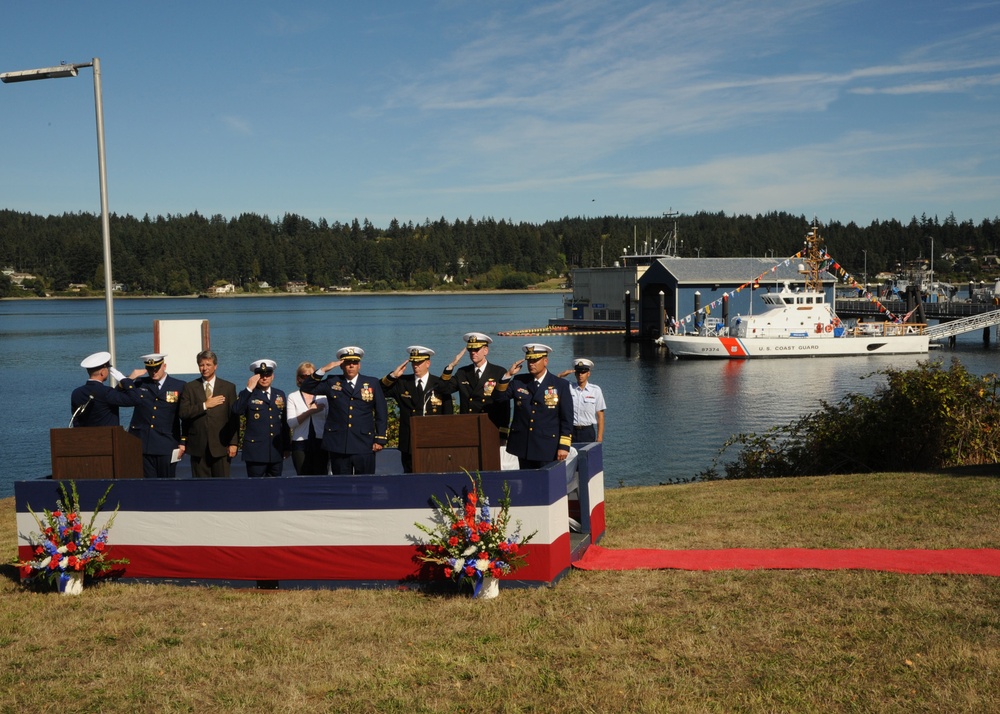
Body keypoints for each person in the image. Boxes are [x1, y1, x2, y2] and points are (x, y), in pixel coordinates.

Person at [299, 346, 388, 475]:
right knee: (341, 485)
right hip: (339, 443)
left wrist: (380, 439)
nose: (351, 366)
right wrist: (323, 369)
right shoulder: (333, 382)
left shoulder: (372, 383)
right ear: (341, 366)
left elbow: (381, 412)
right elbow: (307, 387)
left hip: (363, 443)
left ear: (359, 366)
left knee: (365, 484)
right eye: (347, 363)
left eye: (354, 363)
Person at [492, 343, 573, 469]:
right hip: (523, 445)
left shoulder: (560, 385)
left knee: (547, 484)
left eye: (535, 360)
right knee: (527, 482)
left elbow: (566, 418)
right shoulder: (519, 381)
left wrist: (564, 446)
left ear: (545, 361)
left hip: (547, 446)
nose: (531, 364)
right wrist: (508, 375)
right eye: (529, 360)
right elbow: (498, 398)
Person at [381, 346, 453, 473]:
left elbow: (448, 416)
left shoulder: (438, 384)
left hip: (432, 440)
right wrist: (393, 376)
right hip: (408, 441)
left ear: (428, 363)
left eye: (419, 363)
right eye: (413, 363)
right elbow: (380, 391)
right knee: (410, 477)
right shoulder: (403, 382)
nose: (416, 366)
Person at [121, 353, 186, 478]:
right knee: (146, 486)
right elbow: (115, 396)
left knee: (167, 485)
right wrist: (129, 379)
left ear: (164, 366)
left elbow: (185, 416)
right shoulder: (139, 384)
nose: (153, 372)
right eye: (150, 369)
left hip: (166, 445)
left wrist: (183, 441)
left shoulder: (179, 386)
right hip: (142, 445)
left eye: (156, 368)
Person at [439, 332, 511, 442]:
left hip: (490, 427)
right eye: (470, 350)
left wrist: (503, 432)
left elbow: (504, 405)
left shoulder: (498, 372)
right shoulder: (462, 372)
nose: (473, 353)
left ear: (485, 351)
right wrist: (451, 366)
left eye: (476, 350)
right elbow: (444, 389)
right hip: (467, 428)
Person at [179, 350, 240, 478]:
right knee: (201, 488)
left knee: (222, 487)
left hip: (221, 446)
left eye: (208, 365)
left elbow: (233, 417)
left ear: (215, 366)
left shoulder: (228, 387)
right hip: (198, 447)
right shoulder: (190, 387)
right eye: (201, 365)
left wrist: (233, 443)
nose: (204, 368)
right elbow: (183, 413)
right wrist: (205, 405)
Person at [233, 359, 290, 477]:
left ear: (272, 376)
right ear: (255, 377)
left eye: (268, 375)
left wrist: (286, 447)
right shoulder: (248, 394)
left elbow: (284, 423)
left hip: (275, 451)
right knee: (256, 489)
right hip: (256, 452)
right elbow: (236, 410)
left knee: (275, 489)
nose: (264, 378)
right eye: (261, 375)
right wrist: (248, 388)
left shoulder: (280, 394)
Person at [70, 351, 140, 427]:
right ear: (102, 372)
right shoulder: (106, 392)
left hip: (84, 437)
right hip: (108, 437)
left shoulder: (76, 393)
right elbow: (134, 399)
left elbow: (76, 420)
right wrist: (125, 380)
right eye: (107, 368)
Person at [286, 361, 329, 475]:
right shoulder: (293, 397)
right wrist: (311, 411)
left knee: (321, 476)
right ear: (298, 378)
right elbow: (291, 423)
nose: (307, 379)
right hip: (300, 443)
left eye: (310, 376)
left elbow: (329, 420)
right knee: (303, 476)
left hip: (320, 442)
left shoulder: (323, 397)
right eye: (303, 376)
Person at [556, 358, 606, 443]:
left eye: (583, 372)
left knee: (588, 456)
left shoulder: (595, 390)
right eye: (578, 372)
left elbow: (600, 416)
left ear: (588, 373)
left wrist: (599, 437)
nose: (580, 375)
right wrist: (561, 375)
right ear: (575, 374)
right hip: (570, 430)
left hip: (587, 431)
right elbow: (552, 383)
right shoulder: (569, 387)